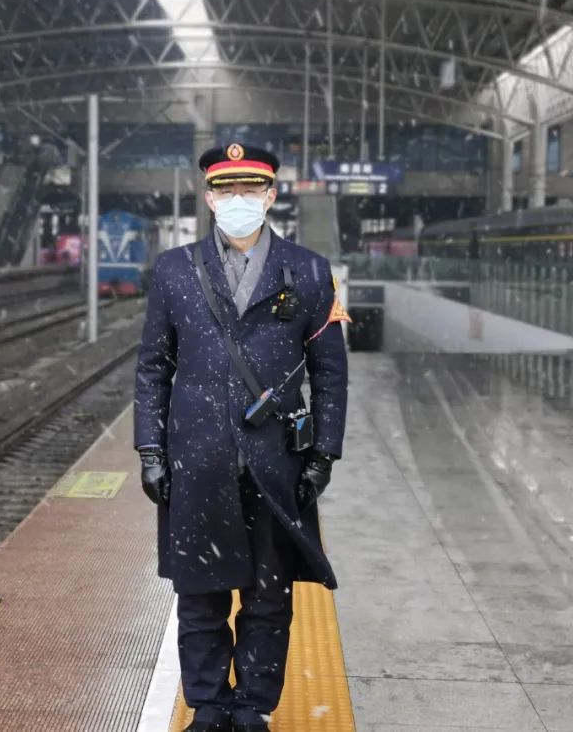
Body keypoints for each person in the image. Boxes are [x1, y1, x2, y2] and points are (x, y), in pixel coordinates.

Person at [133, 144, 349, 732]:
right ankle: (207, 705)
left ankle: (254, 706)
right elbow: (153, 367)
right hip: (196, 458)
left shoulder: (310, 271)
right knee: (200, 593)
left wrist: (324, 453)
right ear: (208, 199)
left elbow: (330, 372)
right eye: (225, 190)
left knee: (268, 596)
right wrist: (150, 449)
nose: (237, 200)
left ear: (271, 195)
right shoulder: (176, 270)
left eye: (250, 190)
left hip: (277, 461)